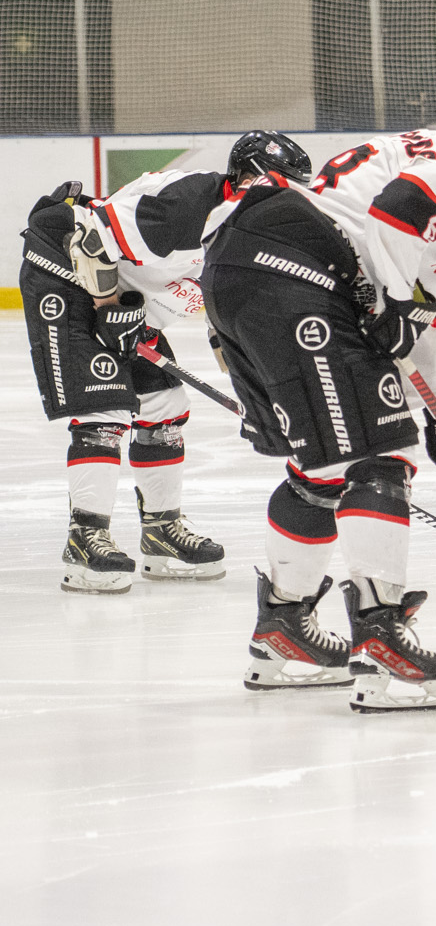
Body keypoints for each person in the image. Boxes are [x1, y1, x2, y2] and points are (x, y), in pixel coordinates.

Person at [201, 79, 436, 706]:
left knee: (323, 466)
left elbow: (415, 322)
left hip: (243, 267)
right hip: (297, 273)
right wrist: (390, 298)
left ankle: (284, 628)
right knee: (380, 458)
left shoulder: (433, 162)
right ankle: (381, 642)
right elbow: (393, 218)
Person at [24, 131, 309, 591]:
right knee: (107, 405)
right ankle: (85, 536)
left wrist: (260, 402)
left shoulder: (250, 239)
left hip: (125, 298)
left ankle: (161, 531)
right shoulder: (186, 203)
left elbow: (230, 331)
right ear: (250, 180)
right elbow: (90, 240)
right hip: (67, 270)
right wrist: (109, 306)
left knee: (164, 403)